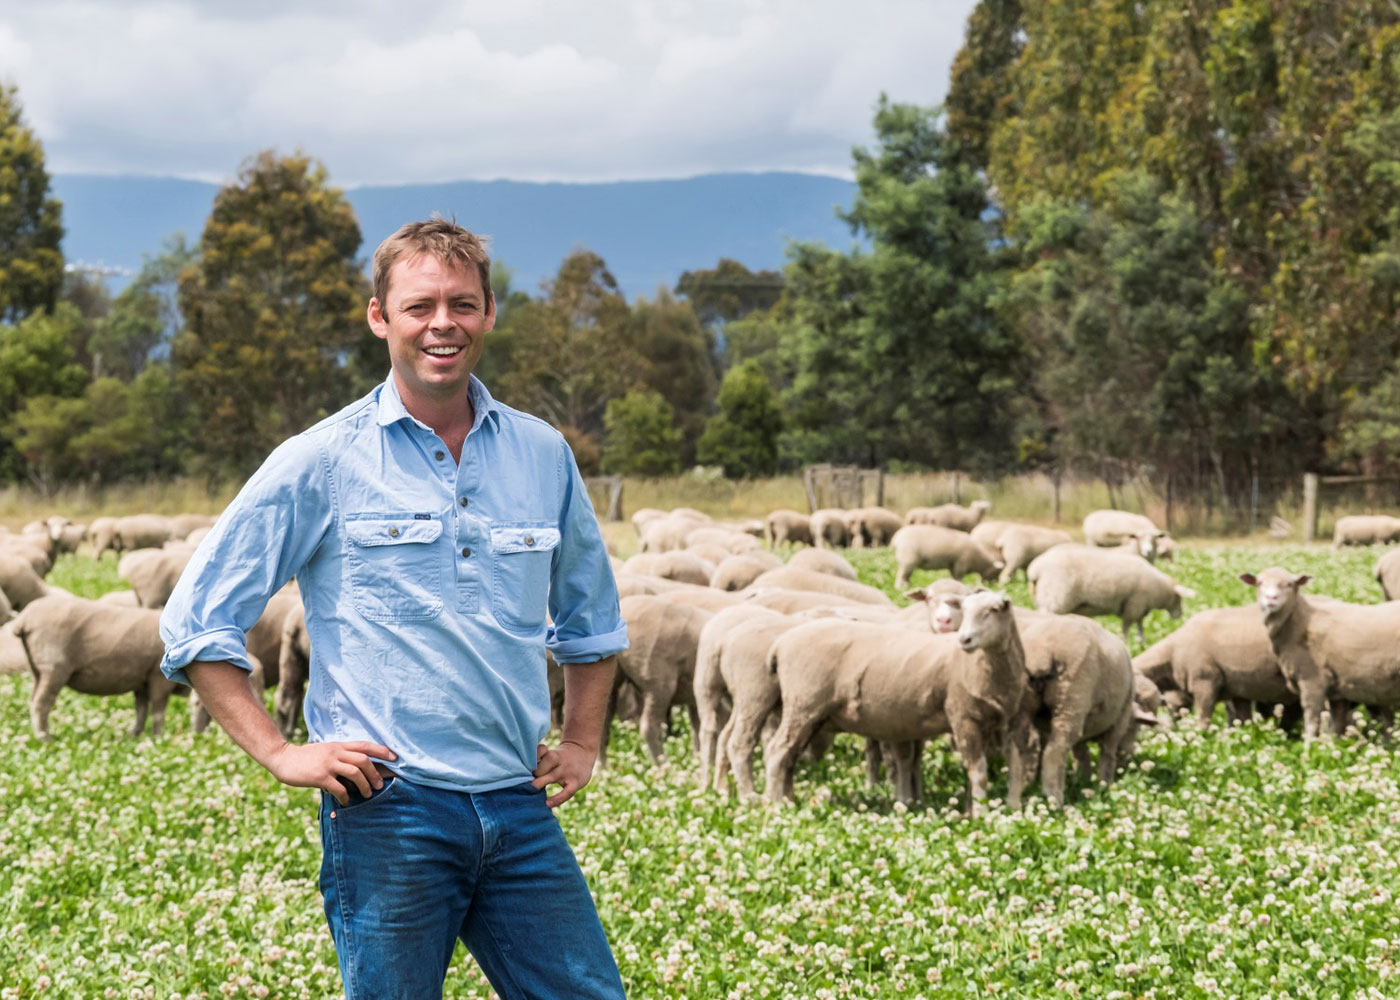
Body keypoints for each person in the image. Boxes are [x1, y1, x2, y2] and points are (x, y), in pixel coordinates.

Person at [159, 217, 629, 999]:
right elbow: (194, 620)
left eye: (462, 304)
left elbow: (592, 616)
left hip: (517, 805)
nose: (442, 324)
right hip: (389, 812)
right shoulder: (322, 459)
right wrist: (282, 754)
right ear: (380, 318)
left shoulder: (543, 453)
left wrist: (581, 741)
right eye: (419, 306)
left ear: (486, 314)